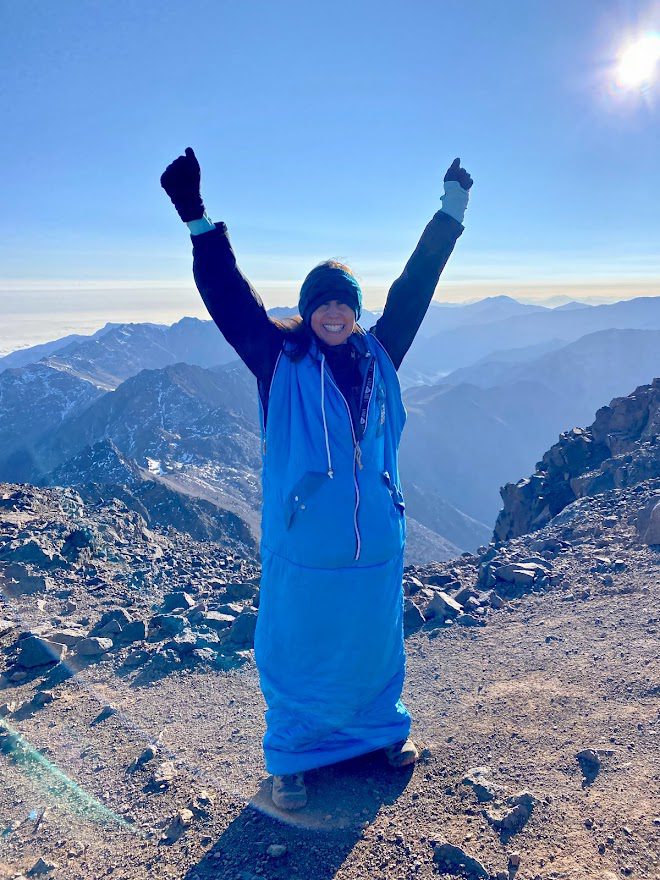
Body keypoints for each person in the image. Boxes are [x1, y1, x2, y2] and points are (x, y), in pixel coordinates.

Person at [160, 148, 472, 811]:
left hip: (375, 542)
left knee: (371, 643)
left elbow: (415, 286)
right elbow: (229, 298)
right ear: (307, 311)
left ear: (357, 313)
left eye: (345, 304)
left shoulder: (379, 355)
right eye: (323, 304)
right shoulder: (279, 359)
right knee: (297, 648)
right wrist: (196, 217)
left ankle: (379, 734)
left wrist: (450, 212)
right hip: (305, 548)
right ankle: (294, 759)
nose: (335, 313)